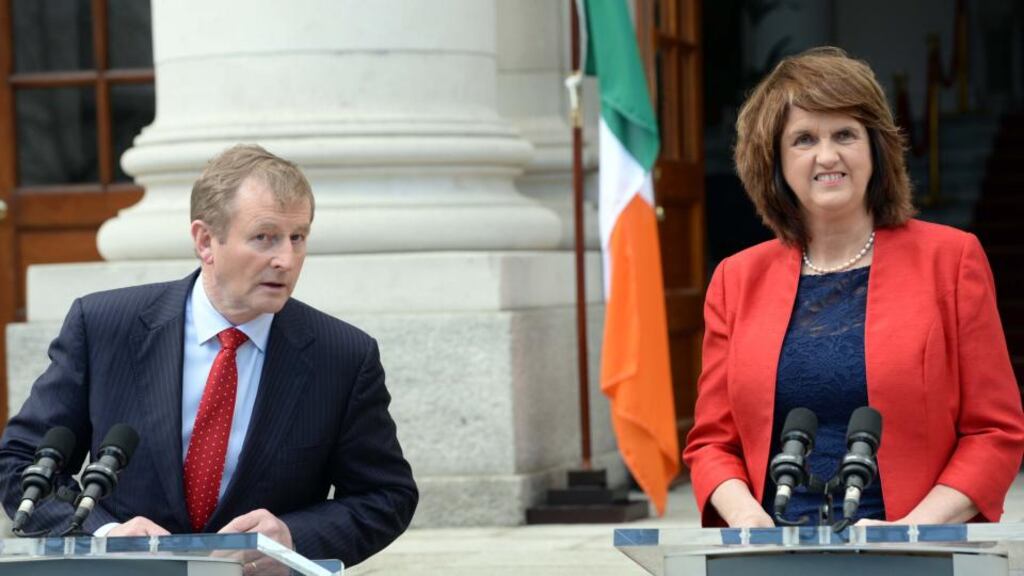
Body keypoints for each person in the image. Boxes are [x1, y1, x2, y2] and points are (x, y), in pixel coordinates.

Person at [0, 144, 418, 566]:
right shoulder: (104, 326)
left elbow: (386, 496)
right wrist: (104, 534)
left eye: (298, 237)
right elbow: (20, 465)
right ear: (205, 241)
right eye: (264, 237)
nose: (286, 260)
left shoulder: (343, 356)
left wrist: (293, 538)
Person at [683, 47, 1024, 528]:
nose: (828, 155)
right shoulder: (736, 280)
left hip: (910, 549)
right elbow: (711, 442)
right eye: (803, 139)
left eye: (845, 134)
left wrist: (912, 532)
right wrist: (746, 519)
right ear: (775, 162)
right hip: (773, 552)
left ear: (875, 149)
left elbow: (995, 431)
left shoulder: (951, 259)